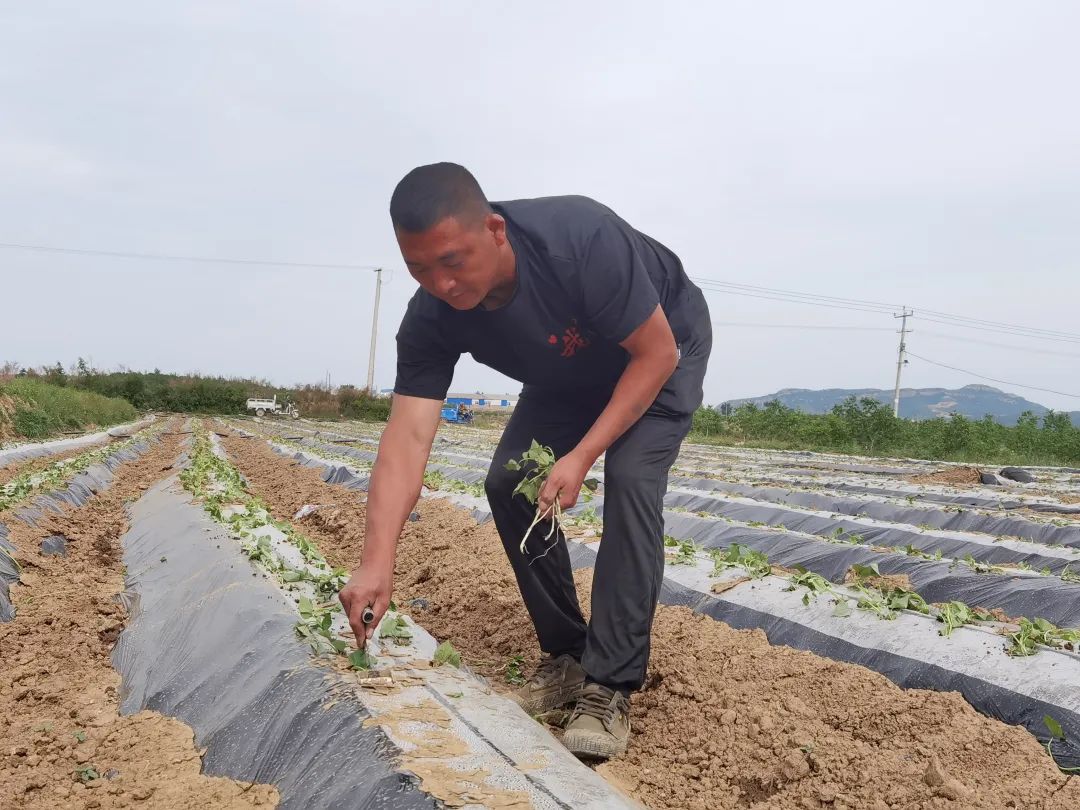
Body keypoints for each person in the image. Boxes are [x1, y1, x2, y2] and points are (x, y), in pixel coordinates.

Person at [339, 162, 711, 759]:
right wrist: (375, 561)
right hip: (567, 374)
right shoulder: (432, 315)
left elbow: (654, 352)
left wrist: (583, 455)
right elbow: (408, 436)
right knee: (511, 481)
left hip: (660, 349)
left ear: (494, 230)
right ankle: (566, 654)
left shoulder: (580, 241)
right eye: (419, 268)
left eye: (453, 261)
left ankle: (609, 684)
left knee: (632, 478)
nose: (442, 284)